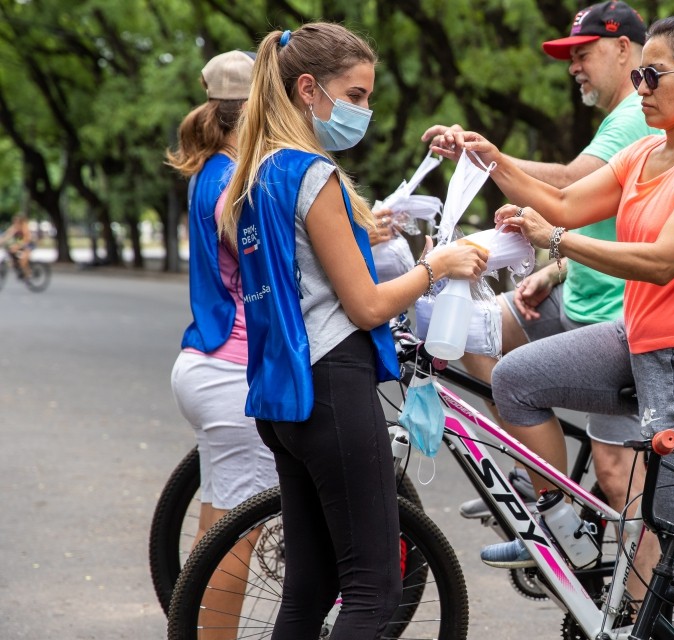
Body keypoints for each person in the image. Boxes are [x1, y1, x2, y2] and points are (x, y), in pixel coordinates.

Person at [430, 12, 674, 640]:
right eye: (638, 76)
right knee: (516, 380)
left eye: (654, 76)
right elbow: (565, 202)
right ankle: (554, 519)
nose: (642, 89)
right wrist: (489, 156)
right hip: (636, 343)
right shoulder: (645, 152)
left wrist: (559, 244)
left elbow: (662, 262)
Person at [219, 23, 486, 638]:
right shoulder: (315, 174)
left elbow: (298, 270)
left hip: (283, 393)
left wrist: (364, 232)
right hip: (333, 384)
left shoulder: (257, 174)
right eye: (357, 95)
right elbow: (366, 307)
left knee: (308, 589)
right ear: (309, 90)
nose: (365, 111)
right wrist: (434, 266)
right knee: (373, 589)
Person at [423, 0, 659, 522]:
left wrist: (491, 159)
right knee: (473, 329)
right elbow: (607, 217)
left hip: (619, 320)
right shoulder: (620, 118)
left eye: (583, 52)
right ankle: (537, 476)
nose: (573, 65)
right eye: (569, 55)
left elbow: (573, 188)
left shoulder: (633, 117)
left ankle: (588, 545)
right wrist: (556, 269)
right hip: (579, 293)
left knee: (620, 479)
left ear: (624, 49)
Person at [164, 49, 274, 638]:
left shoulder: (212, 167)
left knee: (216, 527)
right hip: (235, 374)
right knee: (236, 540)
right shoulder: (239, 178)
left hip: (205, 362)